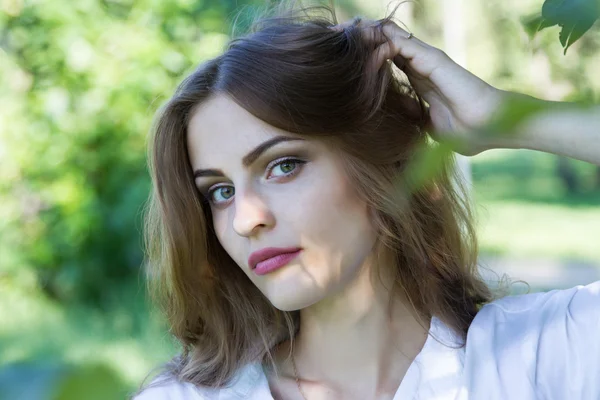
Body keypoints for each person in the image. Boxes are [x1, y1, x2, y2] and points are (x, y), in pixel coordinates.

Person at [133, 3, 600, 400]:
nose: (244, 219)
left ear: (389, 165)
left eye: (283, 165)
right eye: (220, 192)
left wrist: (506, 120)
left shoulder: (543, 355)